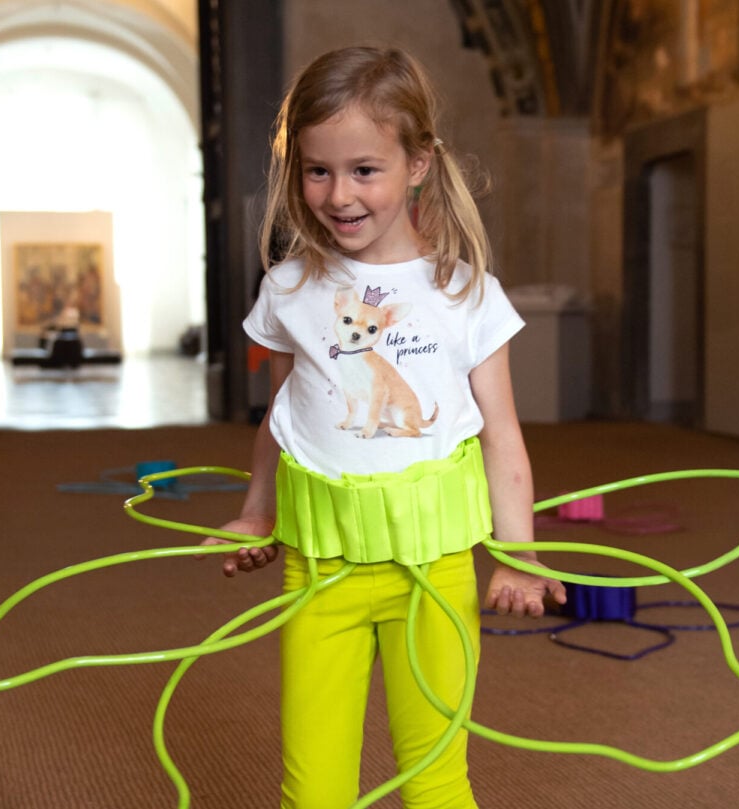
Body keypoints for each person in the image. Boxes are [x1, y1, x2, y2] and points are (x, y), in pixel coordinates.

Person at [199, 45, 567, 809]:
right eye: (317, 171)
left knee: (435, 780)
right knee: (313, 789)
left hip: (434, 570)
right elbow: (282, 415)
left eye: (364, 169)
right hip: (320, 569)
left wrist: (519, 554)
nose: (339, 194)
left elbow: (501, 434)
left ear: (418, 163)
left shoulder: (466, 292)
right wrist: (257, 511)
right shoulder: (290, 287)